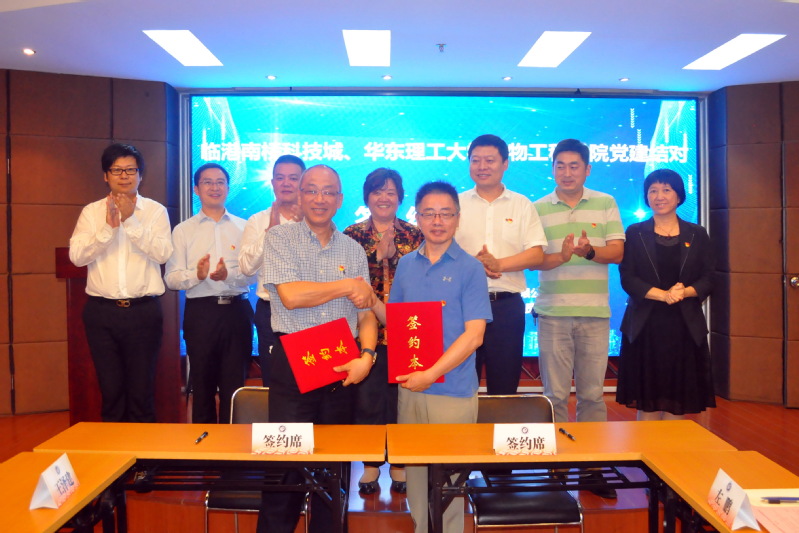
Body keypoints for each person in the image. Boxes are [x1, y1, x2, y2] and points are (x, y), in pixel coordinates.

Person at [257, 164, 379, 533]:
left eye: (328, 192)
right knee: (286, 466)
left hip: (343, 364)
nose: (320, 198)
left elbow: (366, 312)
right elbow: (291, 296)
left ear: (340, 200)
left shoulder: (353, 249)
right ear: (299, 195)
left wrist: (367, 356)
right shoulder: (279, 238)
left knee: (333, 473)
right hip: (294, 359)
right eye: (312, 190)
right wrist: (347, 286)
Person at [370, 181, 492, 533]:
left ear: (458, 217)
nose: (437, 221)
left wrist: (431, 373)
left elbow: (474, 335)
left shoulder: (470, 268)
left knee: (450, 481)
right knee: (417, 476)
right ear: (418, 218)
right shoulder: (407, 264)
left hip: (451, 390)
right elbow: (396, 323)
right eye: (429, 213)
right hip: (411, 387)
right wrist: (369, 299)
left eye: (445, 214)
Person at [532, 138, 624, 498]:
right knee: (554, 395)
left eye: (574, 166)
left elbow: (617, 252)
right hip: (552, 313)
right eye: (560, 165)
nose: (567, 172)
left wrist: (588, 251)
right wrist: (560, 255)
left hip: (594, 314)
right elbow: (534, 260)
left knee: (592, 396)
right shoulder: (538, 208)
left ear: (587, 169)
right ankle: (556, 468)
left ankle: (591, 468)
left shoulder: (605, 202)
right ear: (552, 168)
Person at [69, 143, 172, 423]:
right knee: (111, 393)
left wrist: (131, 222)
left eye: (130, 170)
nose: (124, 176)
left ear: (140, 175)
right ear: (106, 176)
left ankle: (143, 452)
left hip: (143, 312)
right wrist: (108, 229)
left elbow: (163, 253)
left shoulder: (155, 211)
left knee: (141, 393)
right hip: (102, 313)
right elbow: (77, 257)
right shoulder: (92, 212)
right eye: (117, 170)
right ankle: (114, 451)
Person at [343, 168, 423, 494]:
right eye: (377, 191)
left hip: (408, 331)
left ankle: (400, 463)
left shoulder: (415, 235)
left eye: (391, 192)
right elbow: (348, 280)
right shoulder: (351, 235)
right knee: (368, 399)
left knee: (403, 400)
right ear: (367, 197)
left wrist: (396, 257)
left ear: (400, 198)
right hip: (366, 331)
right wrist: (377, 258)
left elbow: (421, 280)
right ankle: (371, 464)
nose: (384, 198)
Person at [616, 169, 716, 419]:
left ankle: (672, 445)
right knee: (647, 399)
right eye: (653, 191)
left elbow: (709, 277)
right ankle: (646, 445)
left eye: (666, 190)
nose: (659, 196)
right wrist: (663, 295)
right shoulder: (635, 232)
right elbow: (628, 277)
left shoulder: (697, 233)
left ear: (679, 196)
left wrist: (684, 292)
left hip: (684, 326)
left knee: (678, 398)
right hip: (645, 326)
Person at [164, 163, 254, 424]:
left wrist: (229, 275)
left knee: (235, 387)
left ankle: (233, 443)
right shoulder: (183, 230)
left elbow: (253, 273)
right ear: (196, 189)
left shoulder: (244, 227)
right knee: (202, 385)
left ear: (228, 187)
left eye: (220, 182)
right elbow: (171, 278)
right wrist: (198, 275)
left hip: (237, 312)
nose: (214, 187)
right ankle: (204, 442)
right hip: (201, 313)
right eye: (207, 182)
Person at [456, 134, 546, 394]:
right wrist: (472, 265)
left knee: (505, 386)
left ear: (505, 163)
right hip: (462, 305)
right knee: (461, 383)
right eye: (476, 160)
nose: (482, 166)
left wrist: (499, 264)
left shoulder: (521, 204)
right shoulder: (455, 204)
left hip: (506, 307)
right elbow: (440, 250)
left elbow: (536, 254)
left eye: (490, 160)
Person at [238, 154, 305, 386]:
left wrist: (305, 227)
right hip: (270, 310)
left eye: (293, 178)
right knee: (274, 381)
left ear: (303, 183)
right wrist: (270, 233)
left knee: (309, 380)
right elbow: (246, 268)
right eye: (280, 178)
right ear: (272, 182)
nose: (286, 183)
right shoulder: (257, 221)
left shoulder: (315, 220)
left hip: (309, 309)